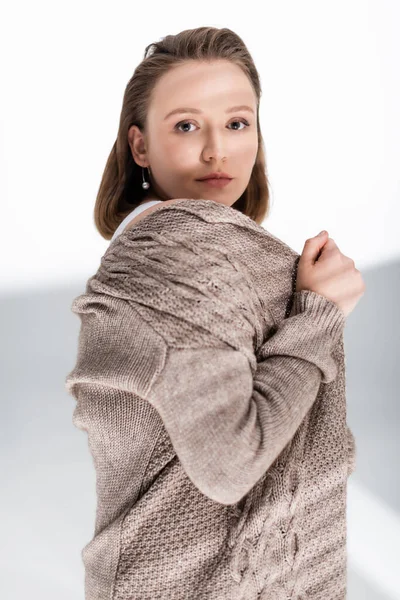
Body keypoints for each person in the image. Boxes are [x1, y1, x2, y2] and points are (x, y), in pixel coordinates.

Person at [65, 26, 365, 600]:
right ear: (140, 146)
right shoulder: (177, 254)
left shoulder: (179, 251)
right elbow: (232, 463)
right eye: (185, 126)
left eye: (236, 123)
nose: (216, 151)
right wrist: (319, 314)